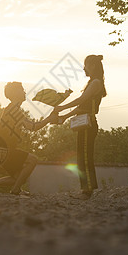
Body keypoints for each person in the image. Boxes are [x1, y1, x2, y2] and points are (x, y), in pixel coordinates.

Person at [0, 81, 58, 196]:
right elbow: (33, 127)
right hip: (3, 150)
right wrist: (49, 119)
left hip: (0, 150)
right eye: (22, 89)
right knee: (32, 160)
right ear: (15, 93)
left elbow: (30, 126)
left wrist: (49, 119)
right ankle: (16, 190)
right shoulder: (13, 110)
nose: (24, 92)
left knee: (18, 177)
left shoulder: (13, 109)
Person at [53, 55, 107, 199]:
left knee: (85, 157)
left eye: (86, 65)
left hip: (88, 124)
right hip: (85, 123)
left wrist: (62, 107)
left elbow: (81, 100)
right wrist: (64, 116)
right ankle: (85, 189)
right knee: (82, 157)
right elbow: (81, 107)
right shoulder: (93, 82)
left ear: (93, 66)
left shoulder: (96, 82)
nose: (84, 68)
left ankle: (87, 190)